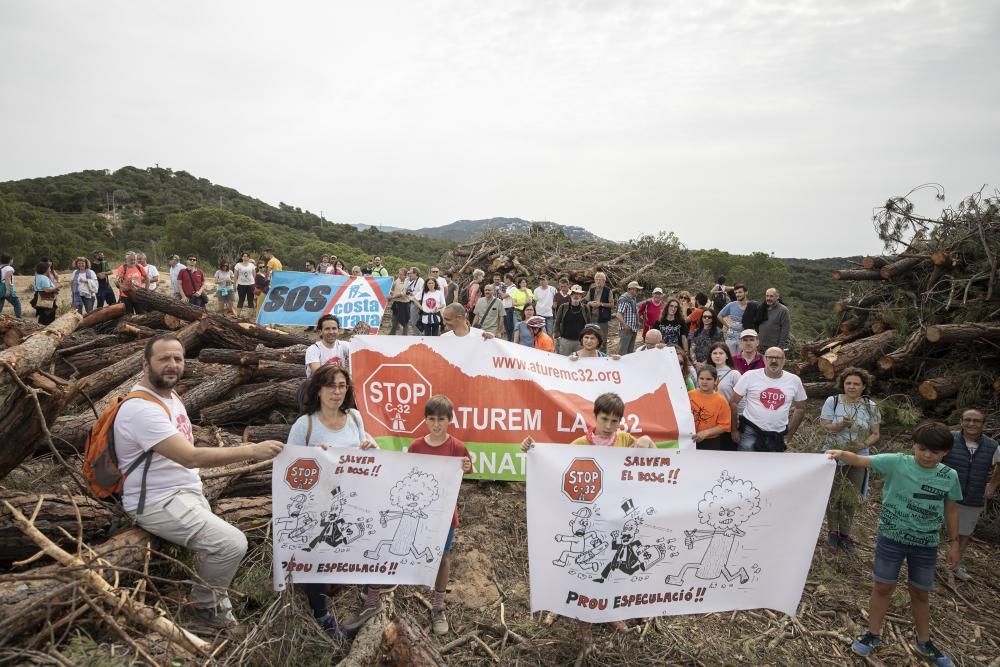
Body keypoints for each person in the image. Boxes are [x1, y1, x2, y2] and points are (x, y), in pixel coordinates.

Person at [115, 334, 283, 628]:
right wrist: (251, 451)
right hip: (156, 501)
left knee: (222, 545)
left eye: (178, 359)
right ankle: (203, 610)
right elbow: (189, 457)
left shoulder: (170, 397)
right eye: (164, 359)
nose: (172, 365)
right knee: (231, 544)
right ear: (145, 364)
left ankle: (222, 611)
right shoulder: (140, 408)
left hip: (183, 493)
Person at [521, 392, 654, 645]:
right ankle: (585, 622)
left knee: (613, 569)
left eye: (615, 421)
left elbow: (651, 459)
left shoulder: (625, 440)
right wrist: (532, 450)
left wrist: (647, 442)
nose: (608, 425)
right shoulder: (580, 444)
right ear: (595, 416)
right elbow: (554, 468)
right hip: (591, 522)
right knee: (589, 571)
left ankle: (611, 612)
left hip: (617, 521)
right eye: (604, 419)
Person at [829, 421, 961, 665]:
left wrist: (954, 543)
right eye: (922, 449)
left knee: (921, 592)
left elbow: (951, 509)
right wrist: (836, 454)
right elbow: (861, 461)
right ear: (914, 446)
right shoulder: (897, 462)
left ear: (945, 453)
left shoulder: (948, 476)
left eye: (935, 451)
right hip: (892, 538)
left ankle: (924, 642)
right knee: (883, 587)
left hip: (926, 543)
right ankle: (873, 634)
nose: (928, 455)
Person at [285, 364, 376, 635]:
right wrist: (312, 456)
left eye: (342, 386)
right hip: (317, 505)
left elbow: (373, 454)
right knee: (316, 555)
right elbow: (289, 469)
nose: (337, 392)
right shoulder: (305, 425)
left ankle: (365, 599)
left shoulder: (356, 419)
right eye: (331, 386)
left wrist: (371, 446)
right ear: (318, 390)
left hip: (352, 502)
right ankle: (322, 614)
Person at [405, 395, 473, 634]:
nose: (436, 424)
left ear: (449, 420)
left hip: (446, 516)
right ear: (425, 420)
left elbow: (465, 471)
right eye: (431, 419)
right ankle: (392, 596)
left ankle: (438, 606)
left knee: (443, 558)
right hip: (419, 516)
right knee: (408, 552)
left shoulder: (458, 447)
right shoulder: (416, 447)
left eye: (441, 419)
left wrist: (465, 466)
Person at [820, 367, 881, 553]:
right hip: (834, 455)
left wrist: (861, 444)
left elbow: (876, 434)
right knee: (834, 495)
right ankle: (832, 532)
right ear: (842, 384)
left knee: (850, 496)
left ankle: (845, 534)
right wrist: (840, 425)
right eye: (848, 383)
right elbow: (825, 427)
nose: (852, 387)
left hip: (858, 457)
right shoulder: (833, 401)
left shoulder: (870, 406)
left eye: (856, 384)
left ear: (864, 387)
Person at [941, 408, 1000, 582]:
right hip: (943, 494)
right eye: (968, 420)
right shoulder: (948, 438)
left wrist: (993, 484)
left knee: (964, 533)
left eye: (976, 421)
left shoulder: (992, 446)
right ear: (961, 421)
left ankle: (954, 566)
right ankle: (926, 562)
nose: (971, 423)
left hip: (973, 496)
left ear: (983, 425)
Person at [729, 348, 806, 452]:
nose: (774, 361)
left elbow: (800, 409)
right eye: (770, 357)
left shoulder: (794, 380)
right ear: (764, 359)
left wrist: (789, 436)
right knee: (744, 464)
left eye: (778, 358)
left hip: (776, 434)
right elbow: (733, 402)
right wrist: (734, 430)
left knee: (771, 467)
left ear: (784, 360)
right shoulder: (750, 376)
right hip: (750, 430)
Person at [708, 343, 741, 451]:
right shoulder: (706, 373)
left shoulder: (734, 374)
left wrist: (736, 426)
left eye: (721, 353)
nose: (717, 356)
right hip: (709, 420)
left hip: (728, 420)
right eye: (715, 353)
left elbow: (741, 401)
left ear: (727, 356)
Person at [689, 367, 732, 451]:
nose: (704, 382)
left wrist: (706, 432)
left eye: (708, 379)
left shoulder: (721, 400)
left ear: (715, 380)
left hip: (711, 441)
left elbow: (725, 426)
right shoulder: (689, 395)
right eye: (701, 378)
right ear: (697, 379)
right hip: (689, 440)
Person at [554, 285, 592, 356]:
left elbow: (589, 324)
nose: (576, 296)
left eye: (578, 294)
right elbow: (557, 322)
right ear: (570, 295)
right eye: (574, 294)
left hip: (580, 341)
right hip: (565, 340)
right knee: (565, 361)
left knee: (579, 362)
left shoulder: (585, 308)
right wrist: (557, 335)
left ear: (581, 296)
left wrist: (587, 337)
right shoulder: (563, 307)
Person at [585, 272, 615, 352]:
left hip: (602, 318)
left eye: (600, 279)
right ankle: (592, 354)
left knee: (602, 338)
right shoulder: (591, 290)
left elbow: (612, 304)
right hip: (591, 318)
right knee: (591, 337)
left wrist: (600, 304)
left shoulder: (608, 291)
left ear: (604, 281)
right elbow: (586, 301)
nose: (598, 281)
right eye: (596, 279)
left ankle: (603, 356)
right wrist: (589, 303)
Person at [719, 283, 748, 355]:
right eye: (736, 293)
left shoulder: (751, 306)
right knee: (731, 360)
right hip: (731, 338)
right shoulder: (731, 305)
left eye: (740, 292)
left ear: (746, 292)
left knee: (742, 359)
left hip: (744, 338)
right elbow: (719, 315)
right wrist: (728, 326)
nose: (738, 294)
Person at [615, 281, 641, 355]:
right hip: (626, 330)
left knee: (630, 352)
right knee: (622, 351)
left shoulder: (632, 299)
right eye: (637, 290)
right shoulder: (624, 299)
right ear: (631, 289)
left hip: (632, 329)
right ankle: (620, 366)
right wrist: (624, 325)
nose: (638, 292)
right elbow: (618, 314)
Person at [32, 260, 59, 325]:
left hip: (40, 299)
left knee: (43, 316)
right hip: (47, 300)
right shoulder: (44, 278)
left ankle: (40, 329)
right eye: (49, 268)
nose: (50, 269)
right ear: (45, 269)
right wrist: (56, 287)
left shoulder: (38, 276)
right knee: (48, 317)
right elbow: (47, 290)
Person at [388, 267, 410, 335]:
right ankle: (392, 334)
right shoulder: (396, 281)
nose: (399, 276)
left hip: (404, 304)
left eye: (401, 274)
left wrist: (392, 297)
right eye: (399, 274)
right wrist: (390, 294)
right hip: (396, 303)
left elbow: (403, 294)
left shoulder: (408, 283)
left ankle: (404, 335)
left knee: (405, 321)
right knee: (394, 320)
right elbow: (391, 289)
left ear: (405, 275)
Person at [0, 254, 21, 318]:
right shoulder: (9, 268)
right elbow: (7, 279)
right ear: (10, 260)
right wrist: (8, 290)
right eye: (12, 259)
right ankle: (18, 318)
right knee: (16, 303)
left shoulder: (0, 267)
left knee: (0, 304)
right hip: (6, 287)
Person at [405, 267, 424, 335]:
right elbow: (405, 287)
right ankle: (417, 333)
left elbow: (421, 292)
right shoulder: (413, 281)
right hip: (412, 302)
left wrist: (414, 297)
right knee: (413, 320)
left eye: (411, 273)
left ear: (415, 273)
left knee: (415, 320)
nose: (409, 274)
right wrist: (407, 278)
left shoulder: (421, 281)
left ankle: (418, 334)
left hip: (417, 302)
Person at [500, 274, 516, 341]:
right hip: (505, 309)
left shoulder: (513, 288)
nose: (504, 281)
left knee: (510, 327)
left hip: (510, 309)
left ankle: (511, 341)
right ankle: (509, 340)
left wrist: (499, 290)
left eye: (504, 279)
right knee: (506, 327)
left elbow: (504, 296)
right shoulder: (508, 287)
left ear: (508, 279)